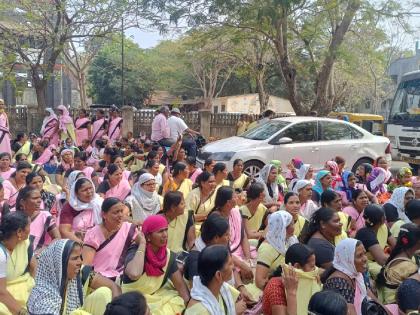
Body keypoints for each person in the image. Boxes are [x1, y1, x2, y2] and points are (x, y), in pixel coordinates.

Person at [27, 239, 118, 315]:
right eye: (75, 258)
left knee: (104, 293)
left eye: (80, 257)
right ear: (59, 264)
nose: (80, 262)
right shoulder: (44, 295)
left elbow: (114, 286)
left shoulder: (80, 273)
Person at [122, 215, 190, 315]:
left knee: (176, 300)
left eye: (166, 230)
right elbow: (134, 273)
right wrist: (142, 244)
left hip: (155, 299)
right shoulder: (136, 251)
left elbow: (181, 288)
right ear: (148, 236)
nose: (165, 235)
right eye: (160, 231)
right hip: (132, 301)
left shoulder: (168, 256)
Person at [82, 198, 139, 280]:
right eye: (116, 212)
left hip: (121, 275)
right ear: (104, 215)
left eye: (121, 211)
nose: (120, 215)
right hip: (98, 277)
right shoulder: (94, 234)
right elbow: (85, 266)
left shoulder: (129, 229)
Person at [185, 245, 244, 315]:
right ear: (218, 275)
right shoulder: (199, 310)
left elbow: (239, 300)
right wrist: (234, 312)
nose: (233, 267)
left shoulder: (222, 288)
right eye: (230, 264)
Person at [263, 243, 320, 315]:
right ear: (297, 267)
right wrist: (291, 293)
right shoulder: (276, 287)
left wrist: (316, 287)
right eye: (312, 266)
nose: (315, 270)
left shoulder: (306, 283)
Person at [322, 238, 370, 315]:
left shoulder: (356, 274)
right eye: (359, 255)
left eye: (364, 253)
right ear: (347, 259)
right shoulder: (338, 283)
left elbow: (369, 294)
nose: (365, 259)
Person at [210, 186, 254, 270]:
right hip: (224, 255)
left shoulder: (236, 212)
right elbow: (222, 250)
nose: (238, 197)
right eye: (235, 196)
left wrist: (248, 259)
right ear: (228, 203)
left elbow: (243, 236)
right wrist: (242, 264)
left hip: (237, 251)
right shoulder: (216, 218)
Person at [0, 212, 35, 315]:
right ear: (19, 232)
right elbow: (1, 293)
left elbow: (34, 266)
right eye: (28, 226)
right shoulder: (1, 254)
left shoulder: (22, 245)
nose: (30, 230)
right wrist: (21, 312)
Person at [377, 223, 420, 304]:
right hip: (398, 307)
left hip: (387, 304)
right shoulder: (409, 267)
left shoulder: (396, 256)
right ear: (418, 242)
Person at [255, 210, 298, 290]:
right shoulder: (267, 249)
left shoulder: (288, 241)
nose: (294, 227)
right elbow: (260, 282)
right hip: (272, 290)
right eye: (291, 224)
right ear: (282, 227)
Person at [355, 204, 396, 278]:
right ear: (383, 219)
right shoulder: (365, 233)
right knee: (388, 273)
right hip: (367, 264)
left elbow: (395, 246)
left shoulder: (383, 227)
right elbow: (382, 260)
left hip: (378, 262)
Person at [15, 187, 60, 252]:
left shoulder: (45, 216)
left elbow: (57, 238)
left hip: (38, 257)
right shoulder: (14, 217)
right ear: (22, 202)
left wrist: (44, 250)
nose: (39, 200)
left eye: (40, 197)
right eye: (35, 198)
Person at [59, 177, 103, 243]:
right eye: (84, 190)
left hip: (99, 240)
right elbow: (64, 232)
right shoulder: (70, 207)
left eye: (90, 188)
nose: (89, 192)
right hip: (76, 243)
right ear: (76, 193)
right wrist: (83, 245)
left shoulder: (99, 202)